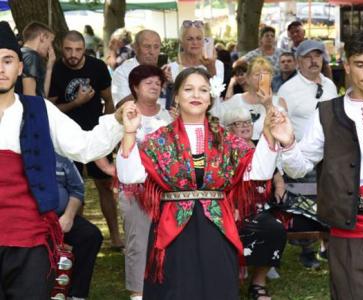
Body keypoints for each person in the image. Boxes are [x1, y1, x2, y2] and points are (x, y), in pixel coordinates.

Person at [116, 67, 278, 300]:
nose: (196, 95)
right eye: (188, 89)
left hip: (216, 228)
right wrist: (129, 133)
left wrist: (269, 134)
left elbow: (258, 171)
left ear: (210, 97)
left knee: (216, 289)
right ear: (177, 97)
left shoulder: (226, 140)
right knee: (176, 290)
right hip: (172, 231)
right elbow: (129, 177)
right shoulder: (159, 140)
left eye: (203, 89)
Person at [0, 20, 131, 299]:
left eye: (8, 60)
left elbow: (84, 146)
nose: (1, 68)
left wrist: (117, 121)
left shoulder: (39, 110)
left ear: (20, 67)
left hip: (30, 240)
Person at [269, 30, 363, 300]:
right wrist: (289, 142)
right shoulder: (328, 112)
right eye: (361, 65)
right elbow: (299, 166)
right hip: (349, 231)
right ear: (347, 65)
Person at [49, 30, 124, 249]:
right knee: (74, 187)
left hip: (96, 136)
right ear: (61, 48)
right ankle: (73, 238)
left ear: (84, 49)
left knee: (105, 185)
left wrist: (108, 129)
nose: (73, 54)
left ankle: (115, 237)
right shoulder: (57, 70)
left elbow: (108, 99)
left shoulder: (97, 67)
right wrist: (77, 102)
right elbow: (51, 108)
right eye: (68, 49)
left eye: (78, 50)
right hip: (67, 139)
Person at [277, 39, 337, 268]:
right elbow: (282, 125)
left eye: (318, 56)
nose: (314, 61)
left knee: (329, 199)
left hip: (331, 156)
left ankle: (328, 245)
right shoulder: (288, 90)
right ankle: (306, 250)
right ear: (298, 62)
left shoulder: (329, 85)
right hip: (302, 156)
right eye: (308, 57)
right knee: (304, 203)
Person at [118, 65, 172, 300]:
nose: (154, 85)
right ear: (135, 87)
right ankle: (137, 293)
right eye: (147, 82)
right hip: (135, 189)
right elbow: (103, 141)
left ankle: (167, 286)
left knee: (169, 240)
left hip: (167, 190)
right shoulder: (125, 113)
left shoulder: (170, 115)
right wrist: (109, 167)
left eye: (157, 82)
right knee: (137, 243)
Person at [223, 107, 287, 300]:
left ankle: (258, 282)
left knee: (275, 229)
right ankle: (230, 280)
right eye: (238, 123)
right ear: (228, 129)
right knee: (232, 231)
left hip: (263, 206)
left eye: (247, 122)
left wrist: (279, 188)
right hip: (235, 208)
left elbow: (277, 175)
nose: (244, 126)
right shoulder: (226, 151)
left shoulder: (262, 145)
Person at [55, 154, 103, 300]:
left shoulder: (61, 156)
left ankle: (76, 294)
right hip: (29, 219)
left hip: (61, 216)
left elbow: (77, 189)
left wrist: (69, 216)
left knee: (90, 235)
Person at [219, 57, 286, 142]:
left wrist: (268, 105)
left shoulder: (279, 102)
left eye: (266, 75)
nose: (261, 78)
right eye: (257, 74)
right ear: (247, 78)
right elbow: (218, 122)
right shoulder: (236, 100)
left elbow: (283, 131)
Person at [111, 30, 165, 107]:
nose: (152, 52)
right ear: (135, 48)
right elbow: (121, 105)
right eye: (147, 46)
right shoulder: (123, 72)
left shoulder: (165, 68)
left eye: (156, 47)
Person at [21, 21, 55, 97]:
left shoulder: (22, 53)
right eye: (51, 41)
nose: (51, 47)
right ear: (42, 37)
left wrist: (49, 68)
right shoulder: (31, 56)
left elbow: (42, 95)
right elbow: (31, 98)